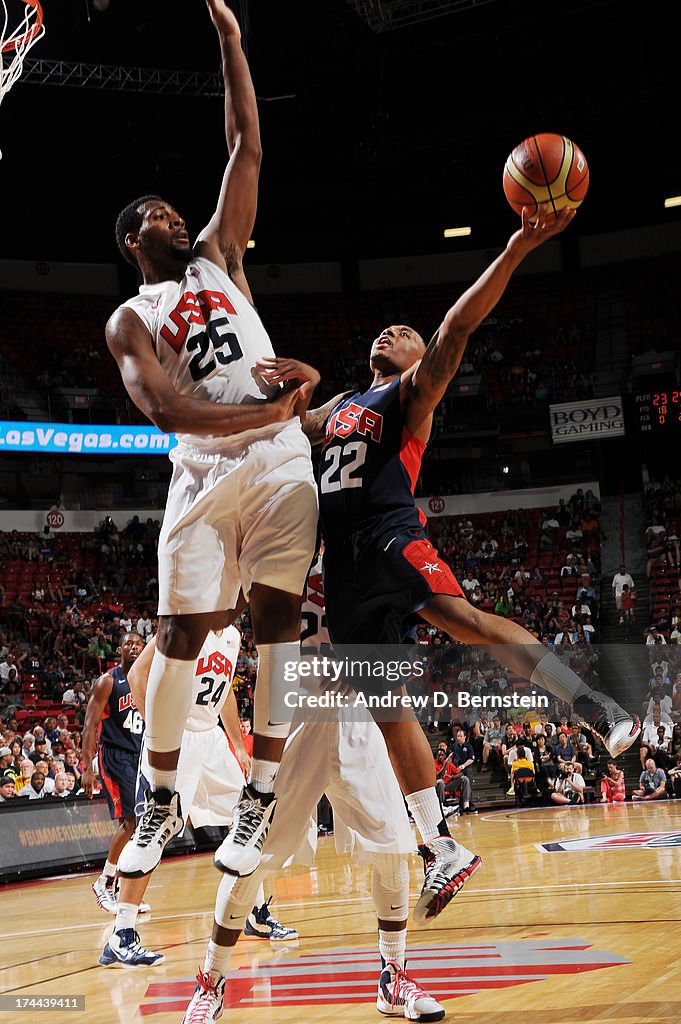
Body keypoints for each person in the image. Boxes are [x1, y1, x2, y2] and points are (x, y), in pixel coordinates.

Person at [263, 205, 637, 916]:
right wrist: (305, 379)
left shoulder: (411, 392)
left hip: (387, 533)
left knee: (461, 620)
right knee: (386, 707)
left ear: (418, 360)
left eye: (405, 334)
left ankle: (592, 707)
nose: (392, 333)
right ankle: (440, 845)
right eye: (386, 329)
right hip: (340, 566)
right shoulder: (345, 401)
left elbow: (455, 328)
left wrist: (516, 248)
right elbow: (291, 421)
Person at [107, 0, 318, 879]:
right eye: (155, 213)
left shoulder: (221, 255)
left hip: (276, 463)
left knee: (277, 629)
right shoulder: (130, 315)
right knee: (177, 635)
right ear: (132, 241)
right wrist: (259, 416)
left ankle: (259, 796)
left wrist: (232, 42)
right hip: (204, 466)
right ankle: (160, 802)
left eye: (171, 207)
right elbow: (164, 412)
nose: (172, 214)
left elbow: (246, 148)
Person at [99, 615, 296, 968]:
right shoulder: (186, 621)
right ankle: (121, 934)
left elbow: (226, 694)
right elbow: (137, 676)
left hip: (212, 740)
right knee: (153, 831)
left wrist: (236, 743)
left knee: (252, 819)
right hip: (177, 738)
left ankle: (256, 912)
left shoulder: (233, 635)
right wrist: (159, 732)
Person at [81, 632, 148, 914]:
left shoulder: (148, 680)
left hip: (140, 756)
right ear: (120, 648)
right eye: (129, 643)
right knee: (132, 820)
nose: (134, 647)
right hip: (115, 756)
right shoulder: (109, 681)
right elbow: (89, 725)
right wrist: (87, 768)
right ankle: (105, 882)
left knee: (144, 823)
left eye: (139, 644)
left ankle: (121, 887)